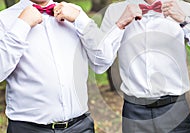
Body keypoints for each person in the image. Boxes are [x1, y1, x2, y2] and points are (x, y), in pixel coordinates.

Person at [98, 0, 190, 132]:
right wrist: (119, 25)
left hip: (175, 110)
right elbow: (99, 63)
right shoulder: (115, 11)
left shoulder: (184, 8)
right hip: (134, 113)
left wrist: (185, 21)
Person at [0, 0, 114, 132]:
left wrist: (80, 20)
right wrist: (22, 25)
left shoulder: (75, 12)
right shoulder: (4, 20)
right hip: (29, 129)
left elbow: (104, 60)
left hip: (80, 127)